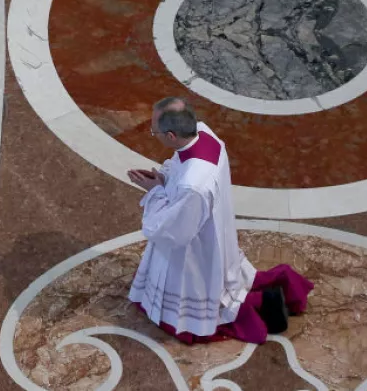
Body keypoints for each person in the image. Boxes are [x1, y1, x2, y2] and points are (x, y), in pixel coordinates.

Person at [127, 97, 313, 344]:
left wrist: (154, 193)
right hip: (213, 229)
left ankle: (260, 304)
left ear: (171, 136)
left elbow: (171, 232)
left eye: (155, 131)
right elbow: (180, 169)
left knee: (192, 310)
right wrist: (163, 178)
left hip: (194, 250)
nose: (154, 135)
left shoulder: (193, 185)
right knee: (222, 278)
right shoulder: (205, 135)